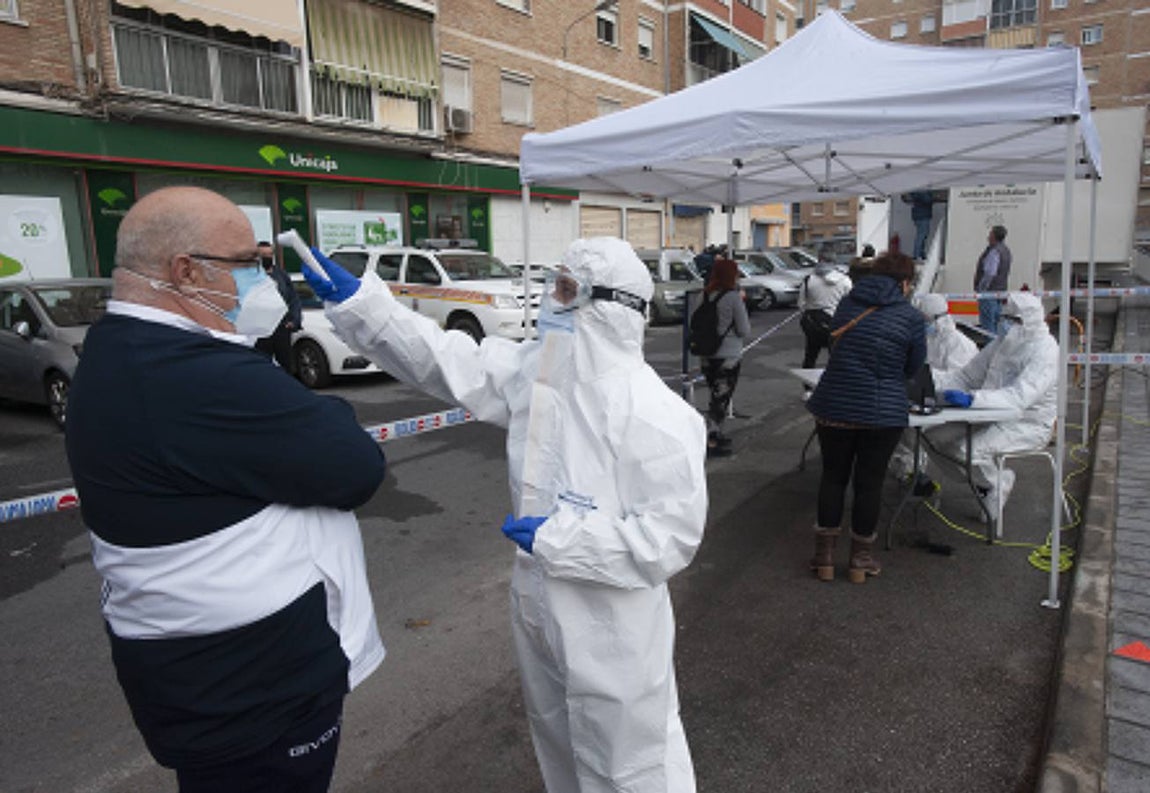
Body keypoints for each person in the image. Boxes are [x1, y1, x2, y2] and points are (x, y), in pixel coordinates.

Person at [304, 236, 708, 793]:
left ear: (610, 305)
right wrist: (365, 308)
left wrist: (562, 539)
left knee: (632, 759)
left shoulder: (659, 416)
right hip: (539, 601)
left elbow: (668, 541)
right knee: (558, 741)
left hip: (613, 622)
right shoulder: (538, 380)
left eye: (566, 289)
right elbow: (447, 361)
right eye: (552, 283)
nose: (549, 301)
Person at [64, 186, 387, 793]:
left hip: (210, 683)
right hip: (255, 695)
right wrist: (328, 415)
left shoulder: (127, 350)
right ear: (185, 272)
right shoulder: (188, 373)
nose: (263, 279)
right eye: (249, 264)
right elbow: (355, 466)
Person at [805, 250, 926, 583]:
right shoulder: (911, 317)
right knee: (869, 484)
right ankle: (860, 561)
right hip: (883, 411)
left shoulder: (847, 304)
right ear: (904, 283)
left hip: (834, 404)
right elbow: (913, 367)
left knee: (833, 477)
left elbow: (836, 347)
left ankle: (824, 558)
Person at [929, 291, 1058, 517]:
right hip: (988, 413)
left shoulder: (1045, 351)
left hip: (1027, 422)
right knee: (933, 437)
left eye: (1012, 319)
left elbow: (1020, 397)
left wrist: (974, 400)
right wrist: (931, 381)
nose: (1004, 323)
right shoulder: (1001, 343)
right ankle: (985, 483)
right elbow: (967, 377)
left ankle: (998, 481)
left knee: (965, 450)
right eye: (1004, 317)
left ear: (1028, 322)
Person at [700, 255, 751, 457]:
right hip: (728, 355)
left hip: (705, 354)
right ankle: (712, 439)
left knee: (715, 395)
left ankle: (716, 433)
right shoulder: (732, 298)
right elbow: (744, 329)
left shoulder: (703, 295)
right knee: (721, 399)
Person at [254, 240, 303, 374]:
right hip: (261, 330)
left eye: (270, 254)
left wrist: (294, 320)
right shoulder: (251, 276)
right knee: (262, 366)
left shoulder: (281, 275)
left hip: (281, 328)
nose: (267, 257)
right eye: (263, 255)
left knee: (286, 365)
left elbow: (293, 299)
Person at [798, 253, 852, 375]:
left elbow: (801, 304)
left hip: (813, 324)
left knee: (810, 356)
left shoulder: (808, 280)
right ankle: (835, 386)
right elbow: (850, 303)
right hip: (837, 323)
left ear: (820, 260)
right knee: (836, 357)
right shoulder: (845, 280)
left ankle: (807, 389)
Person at [975, 224, 1011, 335]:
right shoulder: (1006, 251)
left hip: (989, 293)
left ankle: (991, 350)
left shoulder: (994, 251)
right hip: (1000, 292)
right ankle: (999, 348)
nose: (988, 236)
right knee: (997, 322)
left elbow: (990, 273)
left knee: (988, 326)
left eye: (990, 233)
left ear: (994, 236)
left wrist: (982, 288)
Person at [902, 190, 939, 260]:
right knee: (922, 235)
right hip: (923, 215)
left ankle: (919, 253)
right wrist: (934, 197)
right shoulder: (922, 190)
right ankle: (917, 254)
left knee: (921, 235)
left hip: (918, 215)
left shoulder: (916, 189)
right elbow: (927, 199)